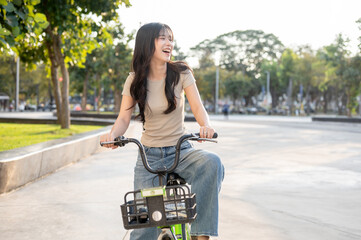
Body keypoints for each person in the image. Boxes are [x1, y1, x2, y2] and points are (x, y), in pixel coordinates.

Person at [100, 22, 224, 240]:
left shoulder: (181, 73)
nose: (169, 43)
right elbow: (123, 118)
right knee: (144, 225)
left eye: (171, 39)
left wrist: (205, 126)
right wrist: (113, 136)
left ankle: (200, 235)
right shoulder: (134, 80)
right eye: (162, 38)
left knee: (212, 163)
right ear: (147, 44)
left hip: (181, 150)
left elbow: (198, 107)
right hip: (149, 155)